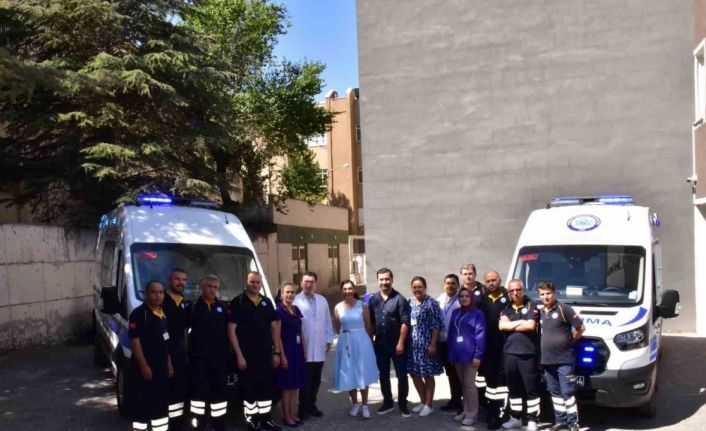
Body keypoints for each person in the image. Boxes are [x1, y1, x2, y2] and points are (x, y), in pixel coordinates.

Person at [228, 271, 282, 431]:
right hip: (246, 354)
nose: (255, 285)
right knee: (249, 388)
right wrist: (239, 355)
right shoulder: (238, 302)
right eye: (252, 282)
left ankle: (266, 419)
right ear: (246, 282)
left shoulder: (266, 302)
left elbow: (274, 328)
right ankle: (251, 419)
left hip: (265, 354)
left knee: (266, 388)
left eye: (258, 282)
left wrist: (277, 352)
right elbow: (231, 330)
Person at [537, 281, 585, 431]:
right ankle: (561, 421)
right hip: (548, 360)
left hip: (564, 360)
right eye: (542, 294)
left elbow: (581, 327)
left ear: (554, 293)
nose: (545, 297)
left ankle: (573, 424)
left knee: (567, 393)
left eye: (548, 293)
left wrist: (571, 340)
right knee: (555, 393)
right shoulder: (541, 312)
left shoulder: (564, 309)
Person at [367, 267, 412, 417]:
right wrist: (370, 341)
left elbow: (405, 323)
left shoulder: (400, 299)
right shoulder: (373, 299)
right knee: (383, 373)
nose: (384, 282)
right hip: (380, 343)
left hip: (397, 343)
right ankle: (388, 402)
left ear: (392, 280)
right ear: (378, 281)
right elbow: (371, 322)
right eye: (381, 279)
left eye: (387, 279)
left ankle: (403, 404)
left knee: (401, 374)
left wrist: (401, 343)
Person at [128, 281, 172, 431]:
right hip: (145, 367)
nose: (157, 296)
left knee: (160, 405)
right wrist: (144, 366)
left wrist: (169, 362)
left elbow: (165, 340)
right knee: (142, 405)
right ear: (146, 294)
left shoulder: (162, 313)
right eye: (153, 292)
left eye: (160, 292)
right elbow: (134, 341)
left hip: (161, 367)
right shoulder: (139, 314)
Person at [188, 275, 229, 431]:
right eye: (209, 286)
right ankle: (199, 425)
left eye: (215, 287)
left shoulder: (223, 307)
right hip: (198, 358)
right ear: (202, 287)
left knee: (219, 392)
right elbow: (186, 331)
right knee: (198, 393)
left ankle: (218, 425)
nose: (212, 290)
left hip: (219, 359)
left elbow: (228, 331)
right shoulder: (193, 307)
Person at [332, 279, 378, 419]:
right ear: (342, 291)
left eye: (350, 288)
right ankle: (355, 404)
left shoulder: (362, 305)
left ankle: (365, 405)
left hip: (361, 341)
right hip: (345, 342)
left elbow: (368, 326)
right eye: (345, 289)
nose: (347, 291)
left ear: (354, 290)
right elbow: (338, 327)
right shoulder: (338, 307)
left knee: (362, 372)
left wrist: (368, 343)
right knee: (349, 372)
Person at [499, 280, 541, 431]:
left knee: (530, 388)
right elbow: (502, 326)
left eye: (518, 290)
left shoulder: (531, 304)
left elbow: (530, 326)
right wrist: (521, 321)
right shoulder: (506, 307)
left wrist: (512, 325)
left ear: (523, 290)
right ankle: (515, 418)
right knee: (514, 388)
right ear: (508, 292)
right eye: (512, 291)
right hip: (510, 353)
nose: (515, 293)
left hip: (527, 354)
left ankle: (532, 420)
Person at [293, 272, 334, 419]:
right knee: (305, 380)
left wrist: (329, 339)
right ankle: (303, 408)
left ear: (315, 283)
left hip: (320, 346)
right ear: (301, 283)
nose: (308, 284)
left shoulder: (322, 300)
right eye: (306, 281)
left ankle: (312, 405)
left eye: (311, 282)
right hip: (304, 347)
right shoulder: (295, 300)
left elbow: (327, 321)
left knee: (316, 380)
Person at [447, 287, 486, 427]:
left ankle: (472, 415)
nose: (464, 298)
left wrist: (478, 355)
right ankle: (466, 410)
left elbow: (480, 336)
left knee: (469, 385)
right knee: (462, 383)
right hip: (458, 355)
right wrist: (451, 353)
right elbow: (451, 334)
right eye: (461, 296)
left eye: (466, 296)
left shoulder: (478, 314)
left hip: (471, 356)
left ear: (471, 298)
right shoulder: (456, 312)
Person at [407, 276, 444, 417]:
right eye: (414, 287)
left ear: (425, 287)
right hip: (412, 346)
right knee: (414, 373)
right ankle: (422, 401)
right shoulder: (410, 302)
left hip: (426, 344)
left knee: (428, 374)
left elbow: (436, 326)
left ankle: (429, 405)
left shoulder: (431, 303)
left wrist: (433, 345)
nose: (417, 289)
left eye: (420, 287)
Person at [478, 270, 510, 430]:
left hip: (505, 348)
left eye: (494, 280)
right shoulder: (482, 299)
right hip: (488, 349)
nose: (491, 283)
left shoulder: (509, 297)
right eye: (488, 281)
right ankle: (491, 411)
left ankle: (501, 415)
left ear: (500, 280)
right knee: (490, 382)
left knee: (502, 382)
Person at [275, 283, 307, 428]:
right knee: (286, 386)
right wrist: (282, 355)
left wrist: (304, 351)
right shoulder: (278, 312)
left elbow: (300, 332)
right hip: (286, 351)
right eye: (287, 292)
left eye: (293, 292)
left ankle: (293, 413)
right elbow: (277, 336)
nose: (290, 295)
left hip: (297, 351)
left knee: (295, 385)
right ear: (282, 294)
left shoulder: (296, 309)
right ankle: (286, 416)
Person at [162, 268, 190, 430]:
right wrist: (168, 358)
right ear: (170, 280)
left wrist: (186, 350)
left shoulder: (183, 301)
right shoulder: (162, 301)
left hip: (179, 354)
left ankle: (177, 424)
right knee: (166, 391)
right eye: (177, 279)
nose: (181, 283)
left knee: (179, 390)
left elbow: (185, 329)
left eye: (184, 280)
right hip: (165, 353)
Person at [436, 274, 462, 413]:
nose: (450, 286)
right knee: (450, 373)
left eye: (453, 283)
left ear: (458, 285)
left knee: (458, 373)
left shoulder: (461, 299)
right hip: (442, 342)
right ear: (444, 285)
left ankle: (461, 402)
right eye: (448, 283)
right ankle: (454, 400)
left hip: (455, 343)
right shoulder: (440, 299)